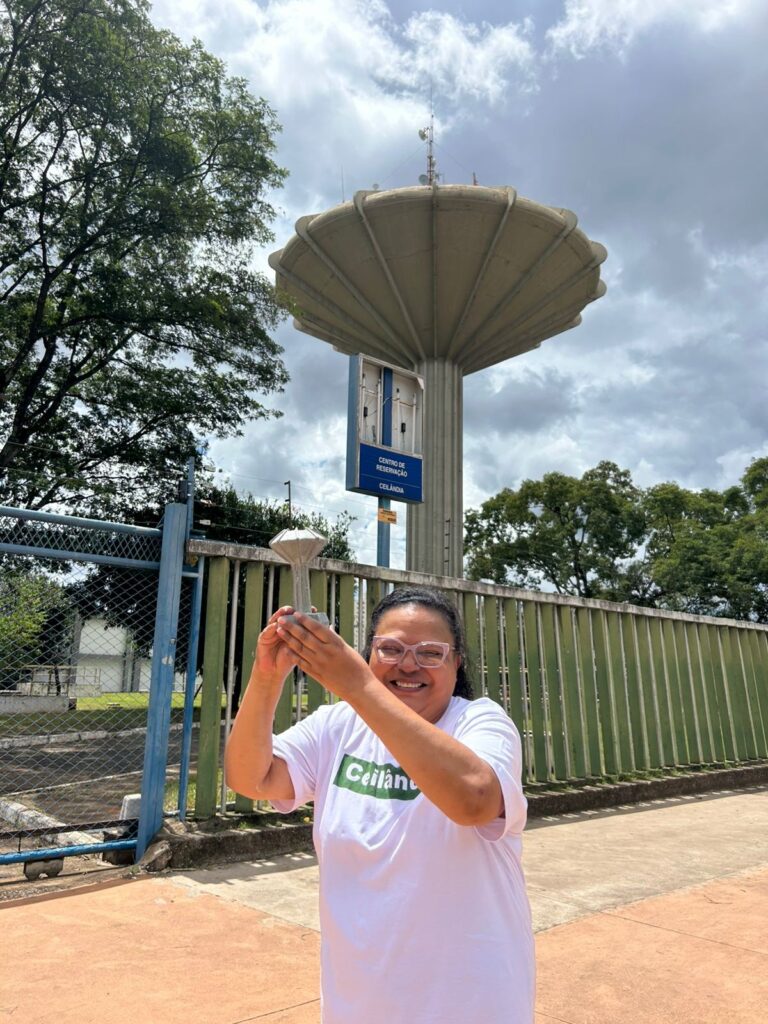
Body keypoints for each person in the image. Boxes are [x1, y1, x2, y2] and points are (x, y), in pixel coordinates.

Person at [225, 585, 535, 1024]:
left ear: (456, 663)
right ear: (369, 652)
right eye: (390, 648)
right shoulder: (338, 725)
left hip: (469, 1002)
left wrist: (358, 685)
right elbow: (251, 777)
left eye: (430, 653)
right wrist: (266, 677)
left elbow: (475, 800)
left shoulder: (479, 722)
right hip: (359, 1001)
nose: (408, 665)